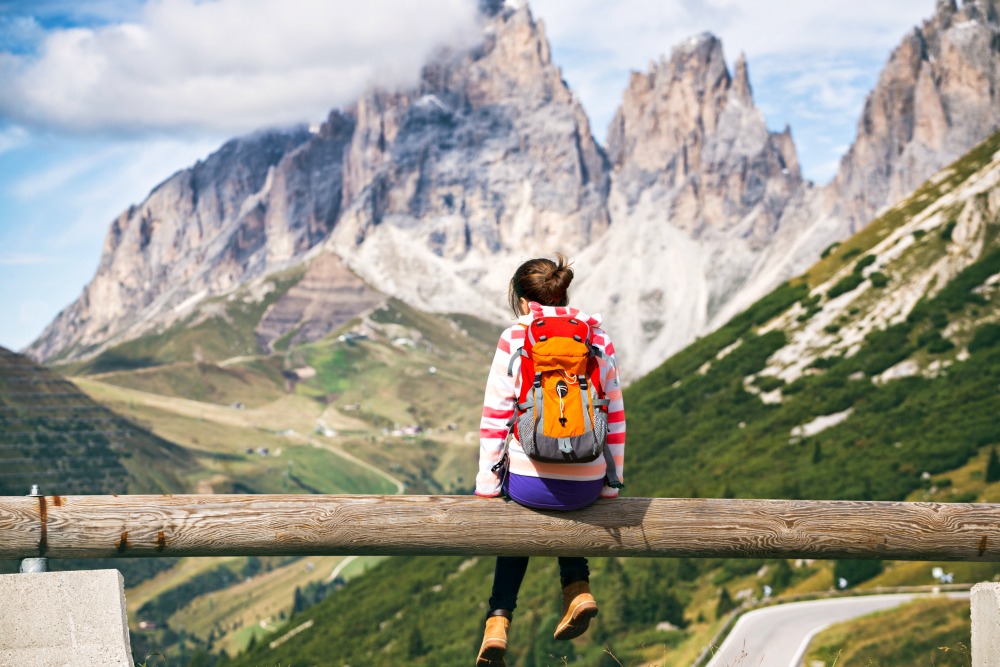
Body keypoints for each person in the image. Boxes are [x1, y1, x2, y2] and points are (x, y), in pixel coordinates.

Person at [474, 254, 626, 667]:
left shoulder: (515, 337)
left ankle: (498, 619)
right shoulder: (597, 337)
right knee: (570, 491)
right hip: (588, 480)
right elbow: (613, 416)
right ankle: (577, 588)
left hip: (527, 483)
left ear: (524, 301)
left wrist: (488, 489)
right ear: (564, 293)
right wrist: (610, 485)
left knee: (516, 504)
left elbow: (496, 418)